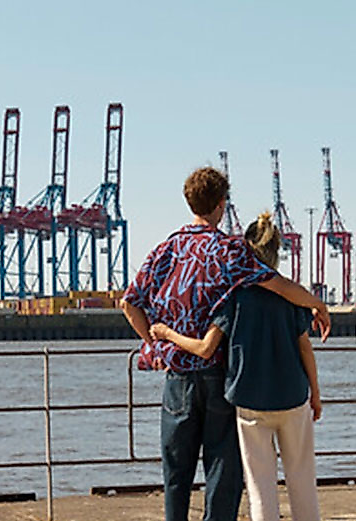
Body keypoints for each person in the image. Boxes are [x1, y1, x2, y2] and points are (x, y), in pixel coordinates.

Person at [124, 167, 331, 521]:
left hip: (177, 379)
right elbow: (278, 285)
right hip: (220, 376)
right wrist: (318, 304)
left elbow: (129, 303)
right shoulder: (230, 250)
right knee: (223, 470)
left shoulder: (165, 250)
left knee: (176, 473)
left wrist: (157, 346)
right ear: (222, 204)